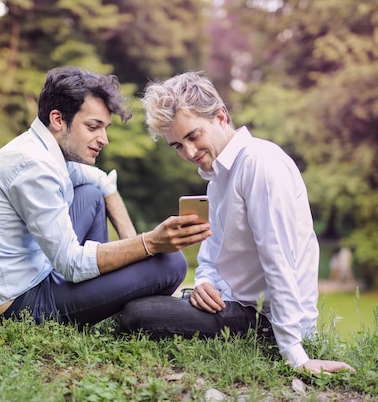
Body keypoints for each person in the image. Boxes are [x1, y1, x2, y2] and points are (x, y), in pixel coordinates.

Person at [120, 71, 355, 375]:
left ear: (220, 117)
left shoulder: (259, 163)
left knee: (139, 313)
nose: (189, 152)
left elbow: (279, 260)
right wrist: (204, 283)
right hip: (232, 303)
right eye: (177, 145)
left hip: (267, 320)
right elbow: (210, 256)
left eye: (193, 136)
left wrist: (296, 355)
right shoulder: (216, 179)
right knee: (148, 290)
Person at [0, 66, 211, 327]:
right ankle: (136, 313)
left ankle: (120, 306)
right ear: (57, 120)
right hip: (19, 305)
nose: (104, 139)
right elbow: (71, 263)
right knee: (170, 263)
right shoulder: (34, 167)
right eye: (93, 127)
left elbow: (101, 181)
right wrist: (150, 244)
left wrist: (134, 244)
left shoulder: (39, 150)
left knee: (91, 194)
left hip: (28, 278)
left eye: (105, 128)